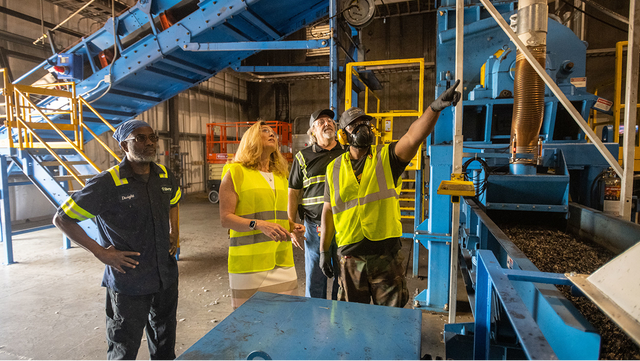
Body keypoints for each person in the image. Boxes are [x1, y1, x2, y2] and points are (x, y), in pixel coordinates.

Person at [320, 80, 461, 307]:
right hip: (350, 258)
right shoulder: (333, 168)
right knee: (351, 320)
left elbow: (413, 137)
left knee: (392, 320)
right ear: (344, 135)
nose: (362, 128)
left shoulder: (387, 158)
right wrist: (323, 250)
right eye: (354, 125)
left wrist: (434, 108)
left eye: (365, 122)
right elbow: (328, 211)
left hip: (385, 256)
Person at [53, 120, 181, 361]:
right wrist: (100, 252)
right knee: (124, 346)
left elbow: (174, 200)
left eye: (152, 137)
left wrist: (175, 231)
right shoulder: (106, 183)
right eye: (140, 139)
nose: (150, 143)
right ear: (124, 145)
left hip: (165, 276)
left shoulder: (163, 176)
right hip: (129, 281)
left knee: (165, 341)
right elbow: (62, 219)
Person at [219, 121, 306, 309]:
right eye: (264, 131)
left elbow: (276, 215)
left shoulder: (281, 175)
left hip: (282, 260)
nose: (272, 134)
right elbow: (226, 218)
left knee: (287, 318)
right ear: (250, 139)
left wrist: (292, 226)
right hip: (248, 265)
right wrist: (257, 224)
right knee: (250, 325)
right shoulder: (235, 172)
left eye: (273, 132)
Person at [288, 109, 345, 299]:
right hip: (314, 227)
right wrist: (291, 224)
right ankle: (314, 320)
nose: (327, 123)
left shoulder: (347, 153)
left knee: (344, 277)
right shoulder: (303, 157)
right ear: (312, 131)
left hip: (344, 225)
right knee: (315, 277)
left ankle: (341, 319)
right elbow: (293, 192)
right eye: (320, 121)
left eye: (330, 120)